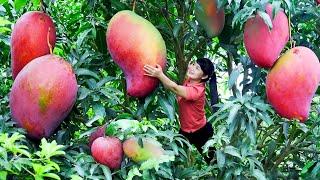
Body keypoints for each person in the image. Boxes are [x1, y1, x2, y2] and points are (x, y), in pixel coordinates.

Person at [143, 57, 218, 164]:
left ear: (204, 76)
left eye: (197, 68)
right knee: (174, 159)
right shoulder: (191, 79)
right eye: (193, 64)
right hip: (185, 131)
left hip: (200, 131)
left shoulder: (197, 91)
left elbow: (174, 88)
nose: (192, 68)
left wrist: (160, 75)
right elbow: (187, 69)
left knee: (213, 161)